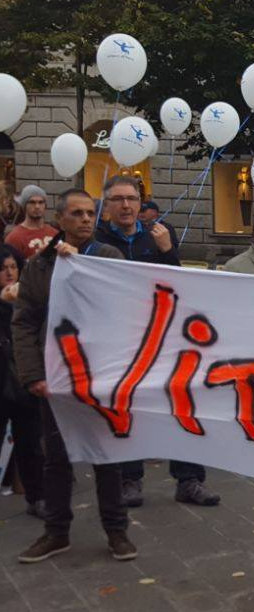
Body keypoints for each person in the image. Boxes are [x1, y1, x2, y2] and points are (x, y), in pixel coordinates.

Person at [14, 189, 137, 563]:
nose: (85, 219)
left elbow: (122, 309)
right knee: (57, 458)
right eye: (77, 214)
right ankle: (56, 532)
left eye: (90, 214)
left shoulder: (109, 257)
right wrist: (33, 374)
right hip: (56, 376)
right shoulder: (40, 265)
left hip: (99, 375)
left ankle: (116, 531)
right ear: (61, 219)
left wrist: (81, 265)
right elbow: (25, 321)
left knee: (106, 455)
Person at [95, 176, 219, 508]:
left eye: (131, 198)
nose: (125, 205)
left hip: (162, 335)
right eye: (118, 199)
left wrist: (167, 252)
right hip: (118, 339)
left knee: (180, 403)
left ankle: (189, 478)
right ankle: (129, 478)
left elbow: (175, 283)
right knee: (126, 408)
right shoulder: (94, 241)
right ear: (106, 205)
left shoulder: (157, 238)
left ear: (140, 202)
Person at [0, 244, 43, 519]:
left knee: (30, 443)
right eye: (3, 269)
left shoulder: (27, 300)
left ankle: (36, 497)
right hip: (3, 381)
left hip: (24, 381)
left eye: (13, 267)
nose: (9, 273)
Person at [5, 185, 58, 259]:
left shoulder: (54, 233)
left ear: (45, 206)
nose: (37, 206)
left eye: (41, 202)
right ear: (24, 206)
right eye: (32, 202)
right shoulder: (14, 237)